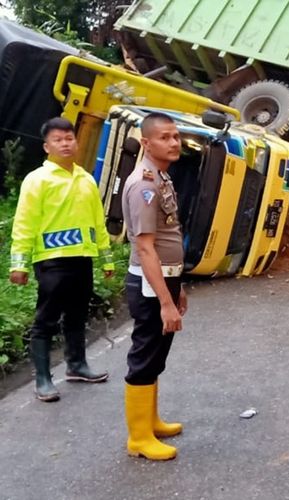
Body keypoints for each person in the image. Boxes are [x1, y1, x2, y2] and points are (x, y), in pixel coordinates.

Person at [9, 117, 113, 402]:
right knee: (46, 319)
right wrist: (18, 264)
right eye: (58, 140)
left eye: (69, 138)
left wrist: (106, 259)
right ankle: (43, 378)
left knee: (78, 314)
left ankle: (77, 365)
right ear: (47, 146)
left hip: (82, 258)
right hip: (52, 260)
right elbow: (24, 223)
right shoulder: (37, 180)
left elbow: (97, 223)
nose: (65, 144)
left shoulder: (86, 179)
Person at [121, 112, 187, 461]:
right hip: (150, 285)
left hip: (165, 279)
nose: (174, 142)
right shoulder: (145, 185)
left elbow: (168, 237)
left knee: (156, 354)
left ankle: (151, 421)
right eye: (165, 137)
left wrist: (178, 288)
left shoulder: (161, 177)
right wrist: (165, 302)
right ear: (146, 142)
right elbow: (145, 247)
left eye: (176, 136)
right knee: (145, 355)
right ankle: (139, 438)